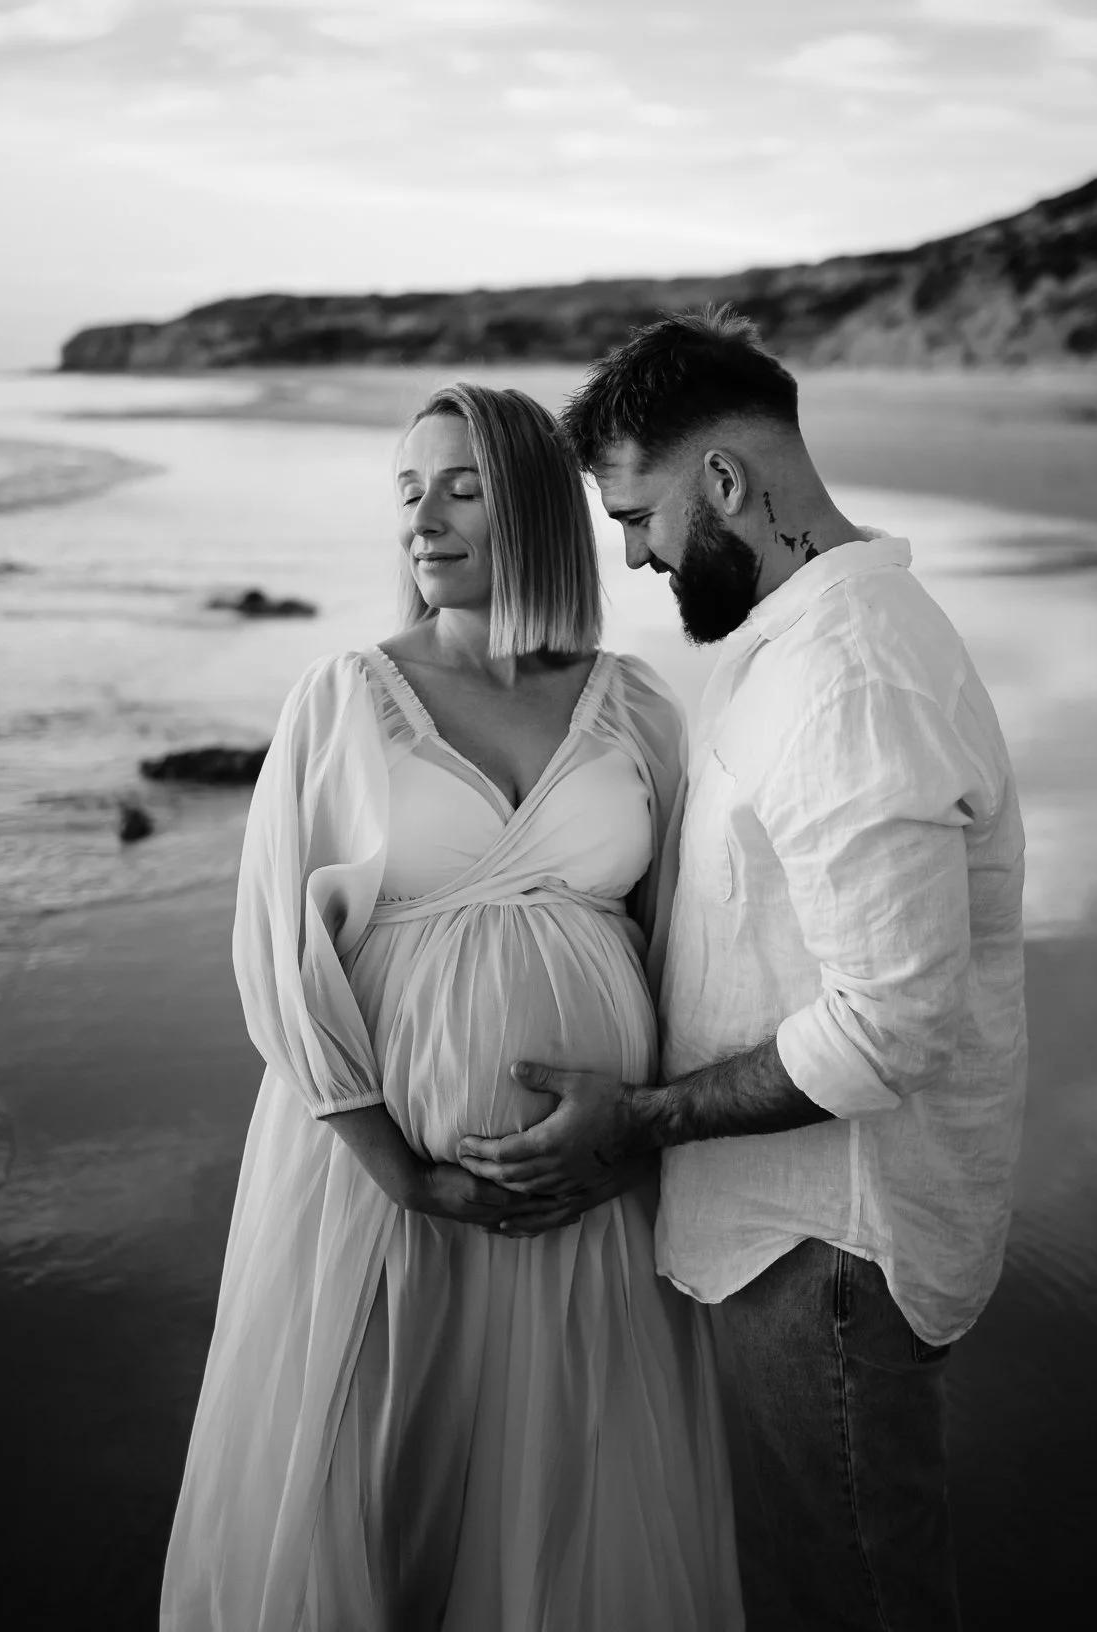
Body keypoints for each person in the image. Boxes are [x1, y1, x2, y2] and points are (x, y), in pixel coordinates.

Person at [460, 314, 1028, 1632]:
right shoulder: (787, 646)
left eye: (639, 514)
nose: (632, 552)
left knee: (848, 1597)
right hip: (786, 1238)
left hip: (822, 1246)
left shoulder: (848, 679)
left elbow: (889, 1032)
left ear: (722, 485)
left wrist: (642, 1118)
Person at [161, 382, 743, 1632]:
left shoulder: (636, 704)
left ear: (534, 505)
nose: (423, 518)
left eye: (461, 486)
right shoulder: (346, 693)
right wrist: (402, 1171)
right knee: (387, 1485)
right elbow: (279, 954)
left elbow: (680, 942)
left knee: (569, 1490)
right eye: (408, 490)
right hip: (386, 1189)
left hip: (592, 1190)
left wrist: (639, 1126)